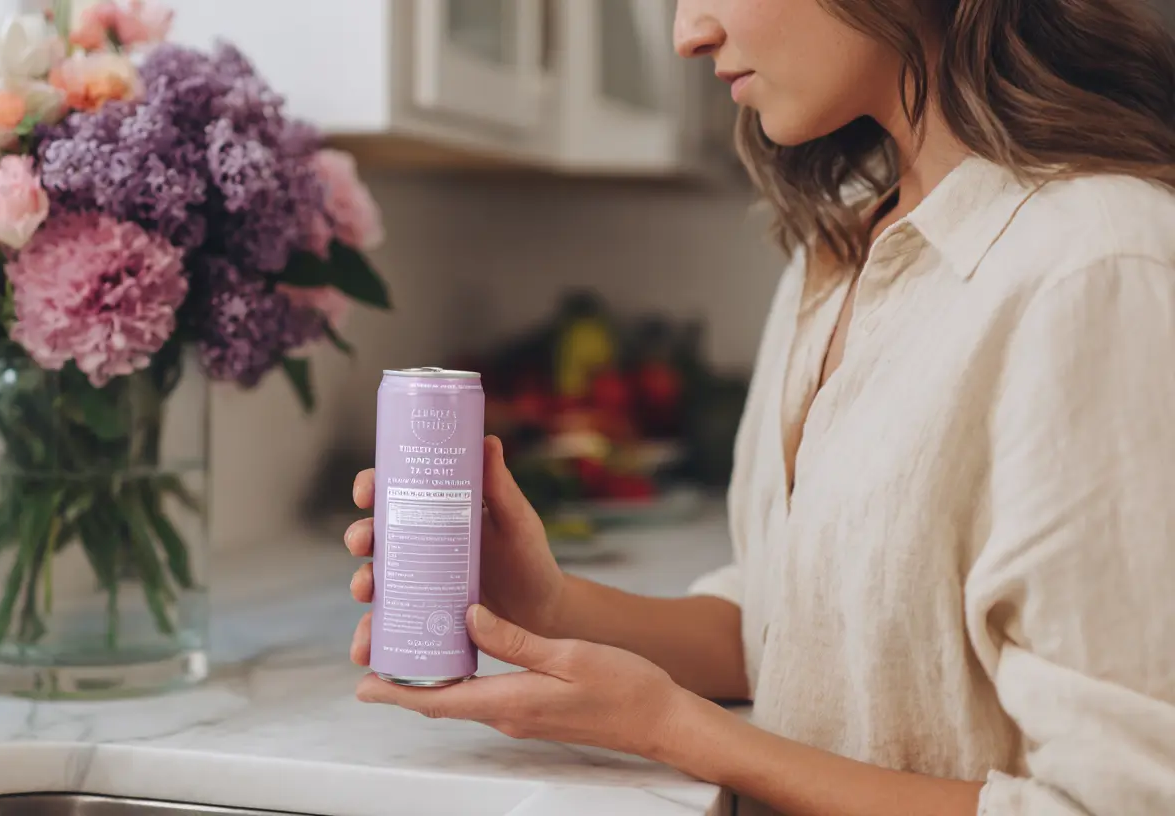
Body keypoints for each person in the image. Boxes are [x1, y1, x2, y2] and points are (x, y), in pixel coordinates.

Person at [343, 0, 1175, 813]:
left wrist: (673, 729)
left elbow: (1116, 803)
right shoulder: (839, 253)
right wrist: (545, 608)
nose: (686, 33)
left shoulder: (1100, 267)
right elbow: (780, 632)